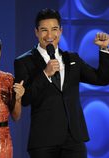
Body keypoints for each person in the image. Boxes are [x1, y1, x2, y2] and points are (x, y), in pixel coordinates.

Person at [14, 8, 109, 158]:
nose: (50, 35)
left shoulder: (72, 59)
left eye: (54, 29)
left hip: (74, 139)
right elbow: (25, 99)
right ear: (36, 32)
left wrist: (104, 49)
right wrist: (45, 74)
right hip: (43, 141)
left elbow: (101, 79)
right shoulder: (24, 62)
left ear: (61, 31)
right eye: (44, 30)